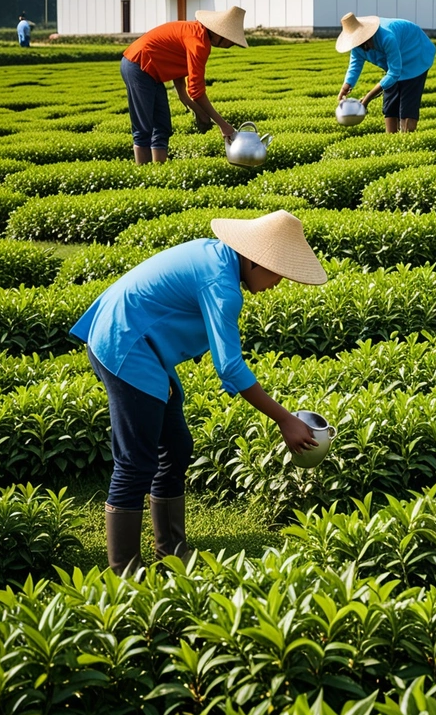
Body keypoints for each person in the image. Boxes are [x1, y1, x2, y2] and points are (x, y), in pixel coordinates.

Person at [70, 210, 328, 575]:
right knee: (136, 461)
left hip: (141, 346)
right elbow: (230, 366)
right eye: (277, 273)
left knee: (175, 447)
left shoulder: (216, 256)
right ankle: (123, 573)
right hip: (126, 346)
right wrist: (285, 419)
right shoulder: (221, 285)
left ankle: (172, 551)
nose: (277, 283)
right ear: (255, 261)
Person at [121, 6, 246, 164]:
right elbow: (197, 91)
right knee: (144, 128)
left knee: (162, 126)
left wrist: (190, 104)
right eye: (231, 40)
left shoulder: (196, 33)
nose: (230, 45)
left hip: (152, 71)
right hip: (139, 65)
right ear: (220, 34)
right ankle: (143, 177)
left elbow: (177, 64)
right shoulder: (199, 43)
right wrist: (223, 125)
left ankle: (158, 171)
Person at [336, 12, 436, 133]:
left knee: (407, 104)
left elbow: (394, 72)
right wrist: (346, 86)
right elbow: (355, 65)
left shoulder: (387, 37)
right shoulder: (358, 46)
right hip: (394, 63)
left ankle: (407, 139)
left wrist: (368, 97)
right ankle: (391, 138)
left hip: (415, 55)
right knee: (390, 104)